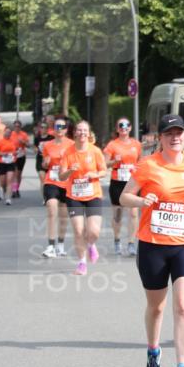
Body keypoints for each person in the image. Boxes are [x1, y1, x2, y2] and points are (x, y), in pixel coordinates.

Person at [120, 114, 184, 367]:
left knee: (182, 305)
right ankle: (153, 350)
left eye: (178, 133)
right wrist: (142, 200)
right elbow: (124, 197)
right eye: (169, 133)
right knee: (156, 307)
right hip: (153, 245)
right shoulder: (148, 165)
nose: (175, 137)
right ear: (161, 138)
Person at [59, 120, 107, 275]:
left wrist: (94, 174)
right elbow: (61, 176)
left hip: (93, 194)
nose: (82, 133)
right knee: (79, 230)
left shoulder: (95, 151)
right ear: (74, 133)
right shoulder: (67, 152)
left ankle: (91, 244)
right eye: (79, 130)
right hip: (74, 196)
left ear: (89, 133)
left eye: (85, 130)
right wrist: (70, 171)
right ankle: (81, 263)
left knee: (94, 231)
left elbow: (104, 171)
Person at [103, 117, 142, 256]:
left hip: (132, 182)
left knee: (133, 213)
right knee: (118, 215)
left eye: (127, 125)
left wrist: (136, 168)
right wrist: (114, 161)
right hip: (117, 182)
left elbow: (140, 162)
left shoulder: (136, 144)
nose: (124, 127)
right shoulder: (112, 145)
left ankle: (131, 243)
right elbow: (104, 164)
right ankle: (117, 240)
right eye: (121, 125)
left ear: (130, 128)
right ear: (117, 128)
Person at [40, 117, 73, 257]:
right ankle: (51, 246)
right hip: (51, 181)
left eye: (62, 127)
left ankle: (60, 244)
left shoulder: (72, 145)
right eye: (57, 127)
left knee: (63, 216)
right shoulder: (47, 145)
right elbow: (44, 164)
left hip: (66, 182)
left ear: (66, 129)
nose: (59, 129)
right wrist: (46, 163)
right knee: (52, 208)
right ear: (53, 129)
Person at [0, 125, 18, 205]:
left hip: (11, 162)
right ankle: (4, 190)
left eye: (9, 132)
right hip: (1, 163)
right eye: (6, 132)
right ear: (4, 132)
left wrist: (15, 153)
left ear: (11, 133)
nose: (8, 134)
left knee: (9, 180)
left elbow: (16, 151)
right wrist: (3, 154)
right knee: (2, 182)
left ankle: (8, 198)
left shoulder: (13, 141)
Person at [12, 119, 29, 198]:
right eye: (15, 126)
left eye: (18, 126)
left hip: (21, 156)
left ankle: (17, 189)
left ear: (20, 127)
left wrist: (23, 142)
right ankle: (14, 191)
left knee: (19, 174)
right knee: (15, 174)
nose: (17, 128)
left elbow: (28, 145)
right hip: (13, 156)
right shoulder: (11, 134)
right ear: (14, 127)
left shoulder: (24, 134)